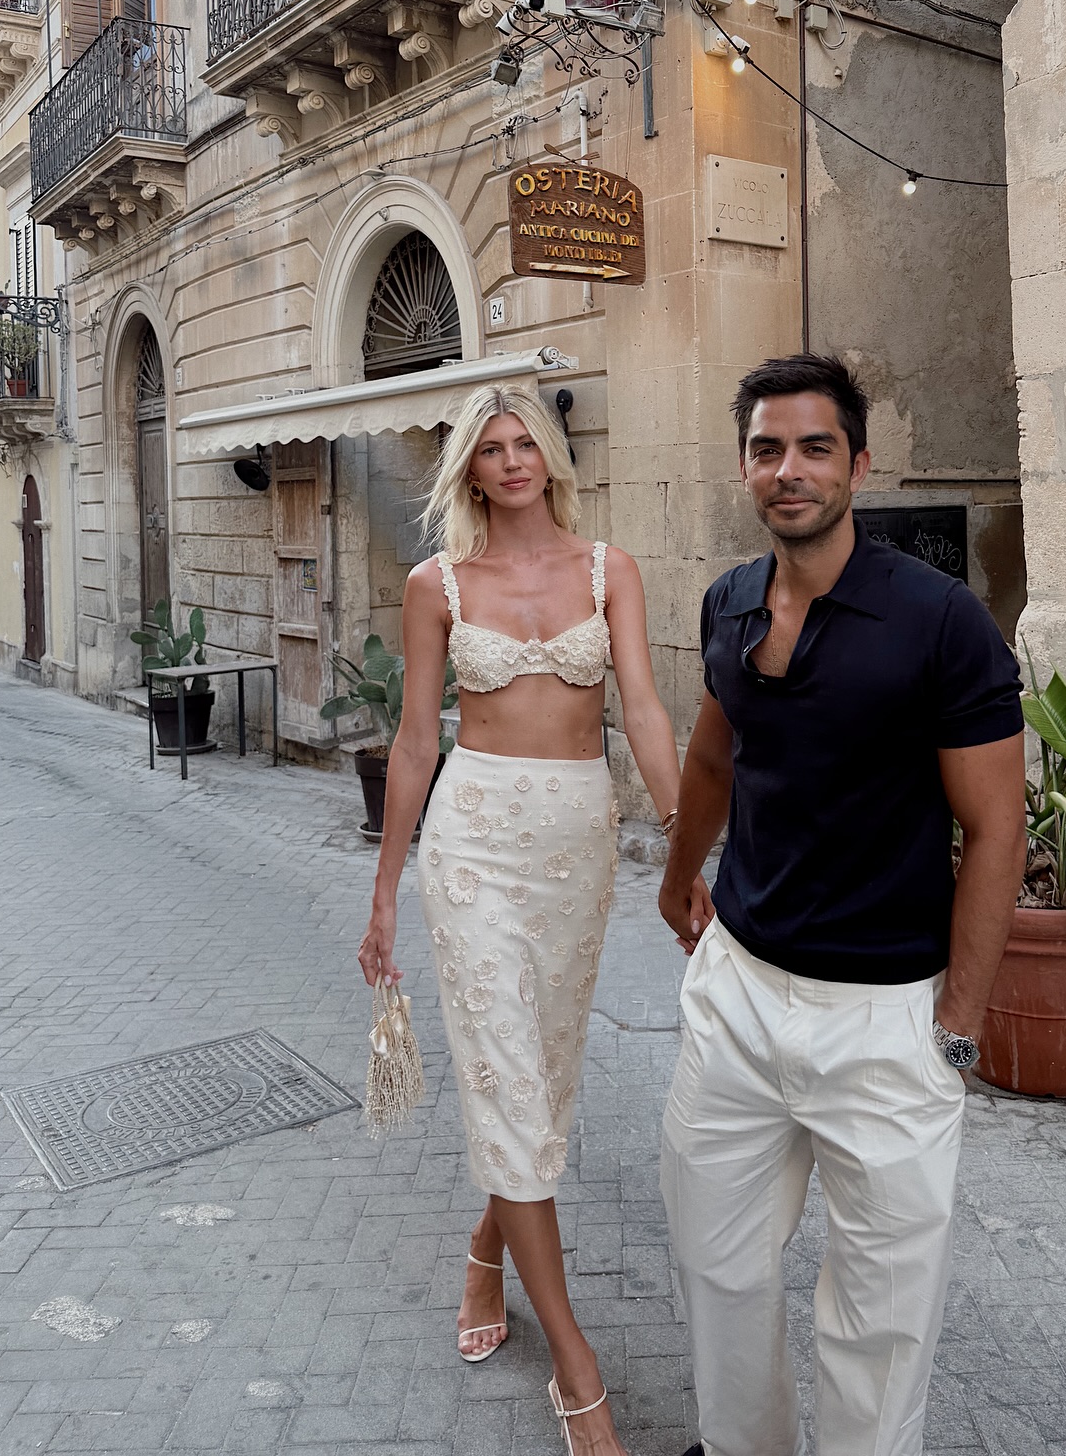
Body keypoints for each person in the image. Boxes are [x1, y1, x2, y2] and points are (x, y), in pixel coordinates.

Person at [657, 354, 1026, 1456]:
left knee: (881, 1315)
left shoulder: (940, 620)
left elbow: (996, 829)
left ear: (859, 466)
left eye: (815, 447)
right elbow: (713, 757)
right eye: (767, 449)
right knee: (716, 1262)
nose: (790, 470)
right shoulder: (729, 600)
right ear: (743, 467)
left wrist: (957, 1026)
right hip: (738, 994)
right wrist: (679, 875)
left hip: (888, 1017)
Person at [358, 383, 699, 1456]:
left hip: (576, 846)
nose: (511, 461)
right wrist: (384, 891)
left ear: (550, 455)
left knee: (538, 1087)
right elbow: (417, 741)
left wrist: (687, 844)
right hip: (472, 847)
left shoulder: (610, 571)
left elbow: (643, 709)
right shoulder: (436, 585)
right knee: (508, 1085)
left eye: (526, 444)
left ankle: (485, 1250)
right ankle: (575, 1365)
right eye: (491, 449)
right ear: (468, 468)